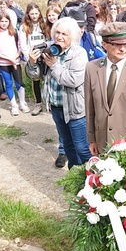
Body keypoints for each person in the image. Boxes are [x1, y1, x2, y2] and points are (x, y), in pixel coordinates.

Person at [84, 22, 126, 154]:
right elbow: (90, 108)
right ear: (104, 44)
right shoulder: (92, 69)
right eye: (117, 44)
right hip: (102, 141)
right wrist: (92, 139)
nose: (123, 49)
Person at [39, 17, 91, 168]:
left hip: (75, 109)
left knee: (82, 148)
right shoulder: (50, 50)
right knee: (67, 146)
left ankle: (92, 179)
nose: (59, 36)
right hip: (56, 107)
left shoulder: (79, 54)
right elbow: (37, 76)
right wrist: (32, 62)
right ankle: (75, 177)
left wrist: (54, 65)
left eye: (64, 34)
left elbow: (73, 80)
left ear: (72, 36)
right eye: (57, 32)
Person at [0, 10, 28, 116]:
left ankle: (22, 102)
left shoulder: (15, 33)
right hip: (3, 63)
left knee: (19, 83)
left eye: (6, 21)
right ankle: (13, 104)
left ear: (9, 21)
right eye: (1, 21)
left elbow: (20, 47)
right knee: (8, 83)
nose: (4, 23)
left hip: (16, 62)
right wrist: (9, 59)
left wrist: (14, 58)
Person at [19, 3, 48, 116]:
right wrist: (29, 58)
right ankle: (38, 104)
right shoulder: (24, 27)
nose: (35, 16)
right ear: (28, 14)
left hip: (45, 56)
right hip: (33, 58)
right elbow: (23, 44)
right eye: (32, 14)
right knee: (35, 80)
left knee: (47, 79)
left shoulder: (44, 24)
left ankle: (48, 102)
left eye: (36, 13)